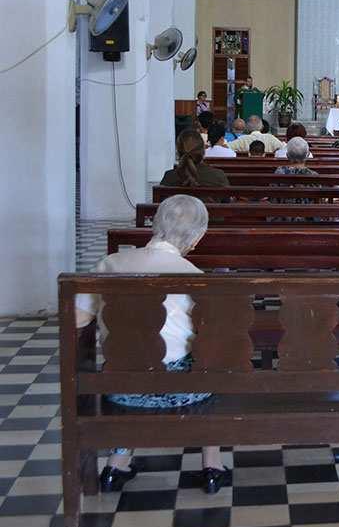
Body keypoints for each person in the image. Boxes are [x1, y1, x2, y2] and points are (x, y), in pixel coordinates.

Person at [75, 195, 231, 494]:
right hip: (183, 391)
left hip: (121, 388)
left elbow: (78, 320)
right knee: (211, 364)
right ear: (197, 239)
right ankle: (212, 466)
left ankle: (116, 465)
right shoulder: (196, 278)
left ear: (154, 225)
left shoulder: (109, 264)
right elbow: (212, 335)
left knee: (135, 359)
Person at [161, 130, 230, 189]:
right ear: (203, 150)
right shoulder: (218, 176)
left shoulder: (169, 177)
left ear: (178, 151)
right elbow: (226, 202)